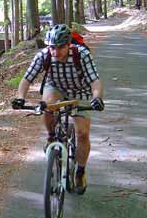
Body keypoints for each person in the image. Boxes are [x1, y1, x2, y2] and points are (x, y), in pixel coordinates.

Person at [11, 24, 104, 194]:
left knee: (82, 133)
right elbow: (26, 80)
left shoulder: (81, 55)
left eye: (60, 47)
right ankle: (51, 136)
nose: (55, 51)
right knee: (47, 105)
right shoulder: (44, 55)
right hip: (55, 87)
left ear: (69, 44)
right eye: (52, 47)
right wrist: (20, 97)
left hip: (80, 92)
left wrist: (96, 98)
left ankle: (80, 171)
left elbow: (95, 81)